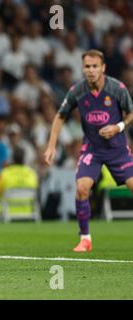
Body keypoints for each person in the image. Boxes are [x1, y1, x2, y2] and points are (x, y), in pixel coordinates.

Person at [44, 49, 133, 252]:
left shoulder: (117, 88)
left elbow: (131, 112)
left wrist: (118, 127)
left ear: (103, 68)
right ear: (82, 68)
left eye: (95, 66)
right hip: (92, 149)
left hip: (118, 149)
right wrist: (51, 145)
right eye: (87, 66)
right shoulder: (78, 90)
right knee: (82, 189)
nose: (91, 70)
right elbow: (60, 116)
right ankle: (85, 239)